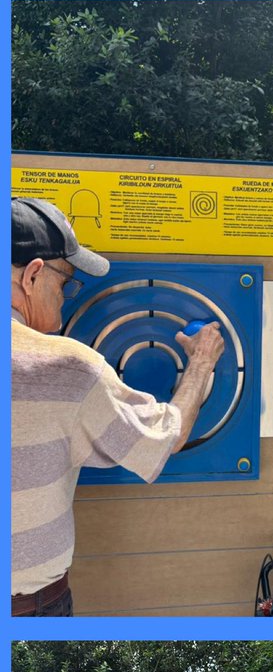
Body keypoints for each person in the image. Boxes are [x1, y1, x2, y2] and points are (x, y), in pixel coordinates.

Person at [11, 197, 224, 616]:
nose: (65, 300)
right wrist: (201, 362)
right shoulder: (64, 367)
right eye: (65, 283)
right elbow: (169, 434)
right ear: (33, 275)